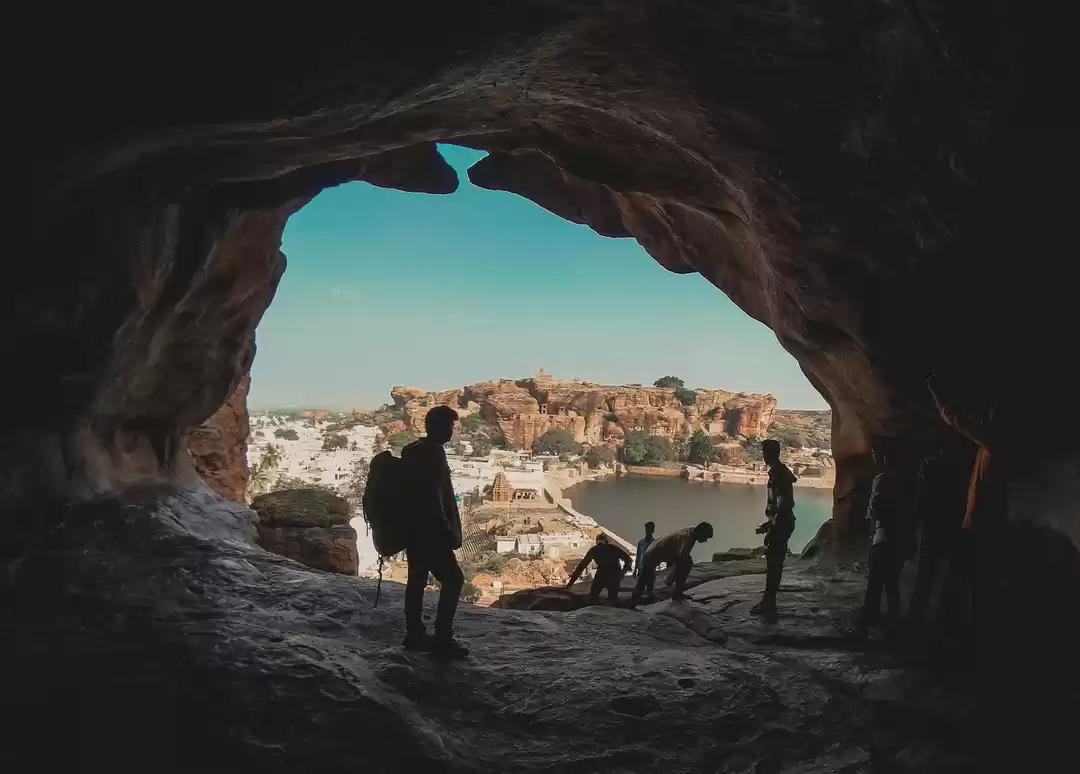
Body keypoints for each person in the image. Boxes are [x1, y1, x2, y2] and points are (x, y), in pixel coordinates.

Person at [401, 406, 468, 659]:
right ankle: (442, 638)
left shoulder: (413, 450)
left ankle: (415, 633)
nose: (452, 431)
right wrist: (447, 530)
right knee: (453, 579)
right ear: (439, 427)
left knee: (416, 580)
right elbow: (433, 498)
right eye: (450, 426)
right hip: (431, 531)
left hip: (413, 529)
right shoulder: (435, 454)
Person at [908, 437, 975, 642]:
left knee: (925, 579)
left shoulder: (930, 465)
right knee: (954, 578)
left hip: (933, 528)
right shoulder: (967, 467)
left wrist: (915, 527)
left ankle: (914, 626)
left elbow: (920, 500)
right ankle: (948, 625)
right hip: (957, 528)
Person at [860, 440, 915, 632]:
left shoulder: (882, 479)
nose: (875, 458)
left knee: (875, 580)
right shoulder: (907, 481)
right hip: (897, 537)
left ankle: (870, 618)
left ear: (886, 458)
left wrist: (875, 525)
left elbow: (876, 507)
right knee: (891, 582)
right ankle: (894, 620)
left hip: (883, 536)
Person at [751, 439, 797, 615]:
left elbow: (785, 503)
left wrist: (773, 525)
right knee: (773, 562)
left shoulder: (780, 474)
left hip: (781, 523)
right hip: (781, 522)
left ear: (771, 453)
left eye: (764, 452)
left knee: (774, 564)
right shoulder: (778, 472)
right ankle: (768, 600)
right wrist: (768, 524)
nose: (763, 456)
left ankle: (769, 603)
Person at [630, 522, 713, 607]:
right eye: (705, 537)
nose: (705, 540)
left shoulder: (692, 532)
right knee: (644, 577)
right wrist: (672, 576)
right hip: (652, 553)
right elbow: (682, 559)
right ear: (700, 532)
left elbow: (682, 557)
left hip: (661, 551)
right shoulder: (686, 538)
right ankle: (635, 598)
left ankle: (676, 592)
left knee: (687, 562)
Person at [566, 534, 633, 604]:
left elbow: (582, 565)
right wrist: (623, 572)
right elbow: (629, 560)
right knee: (611, 598)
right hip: (611, 573)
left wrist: (571, 582)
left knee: (596, 596)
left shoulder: (595, 550)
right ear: (606, 542)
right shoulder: (612, 548)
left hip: (606, 573)